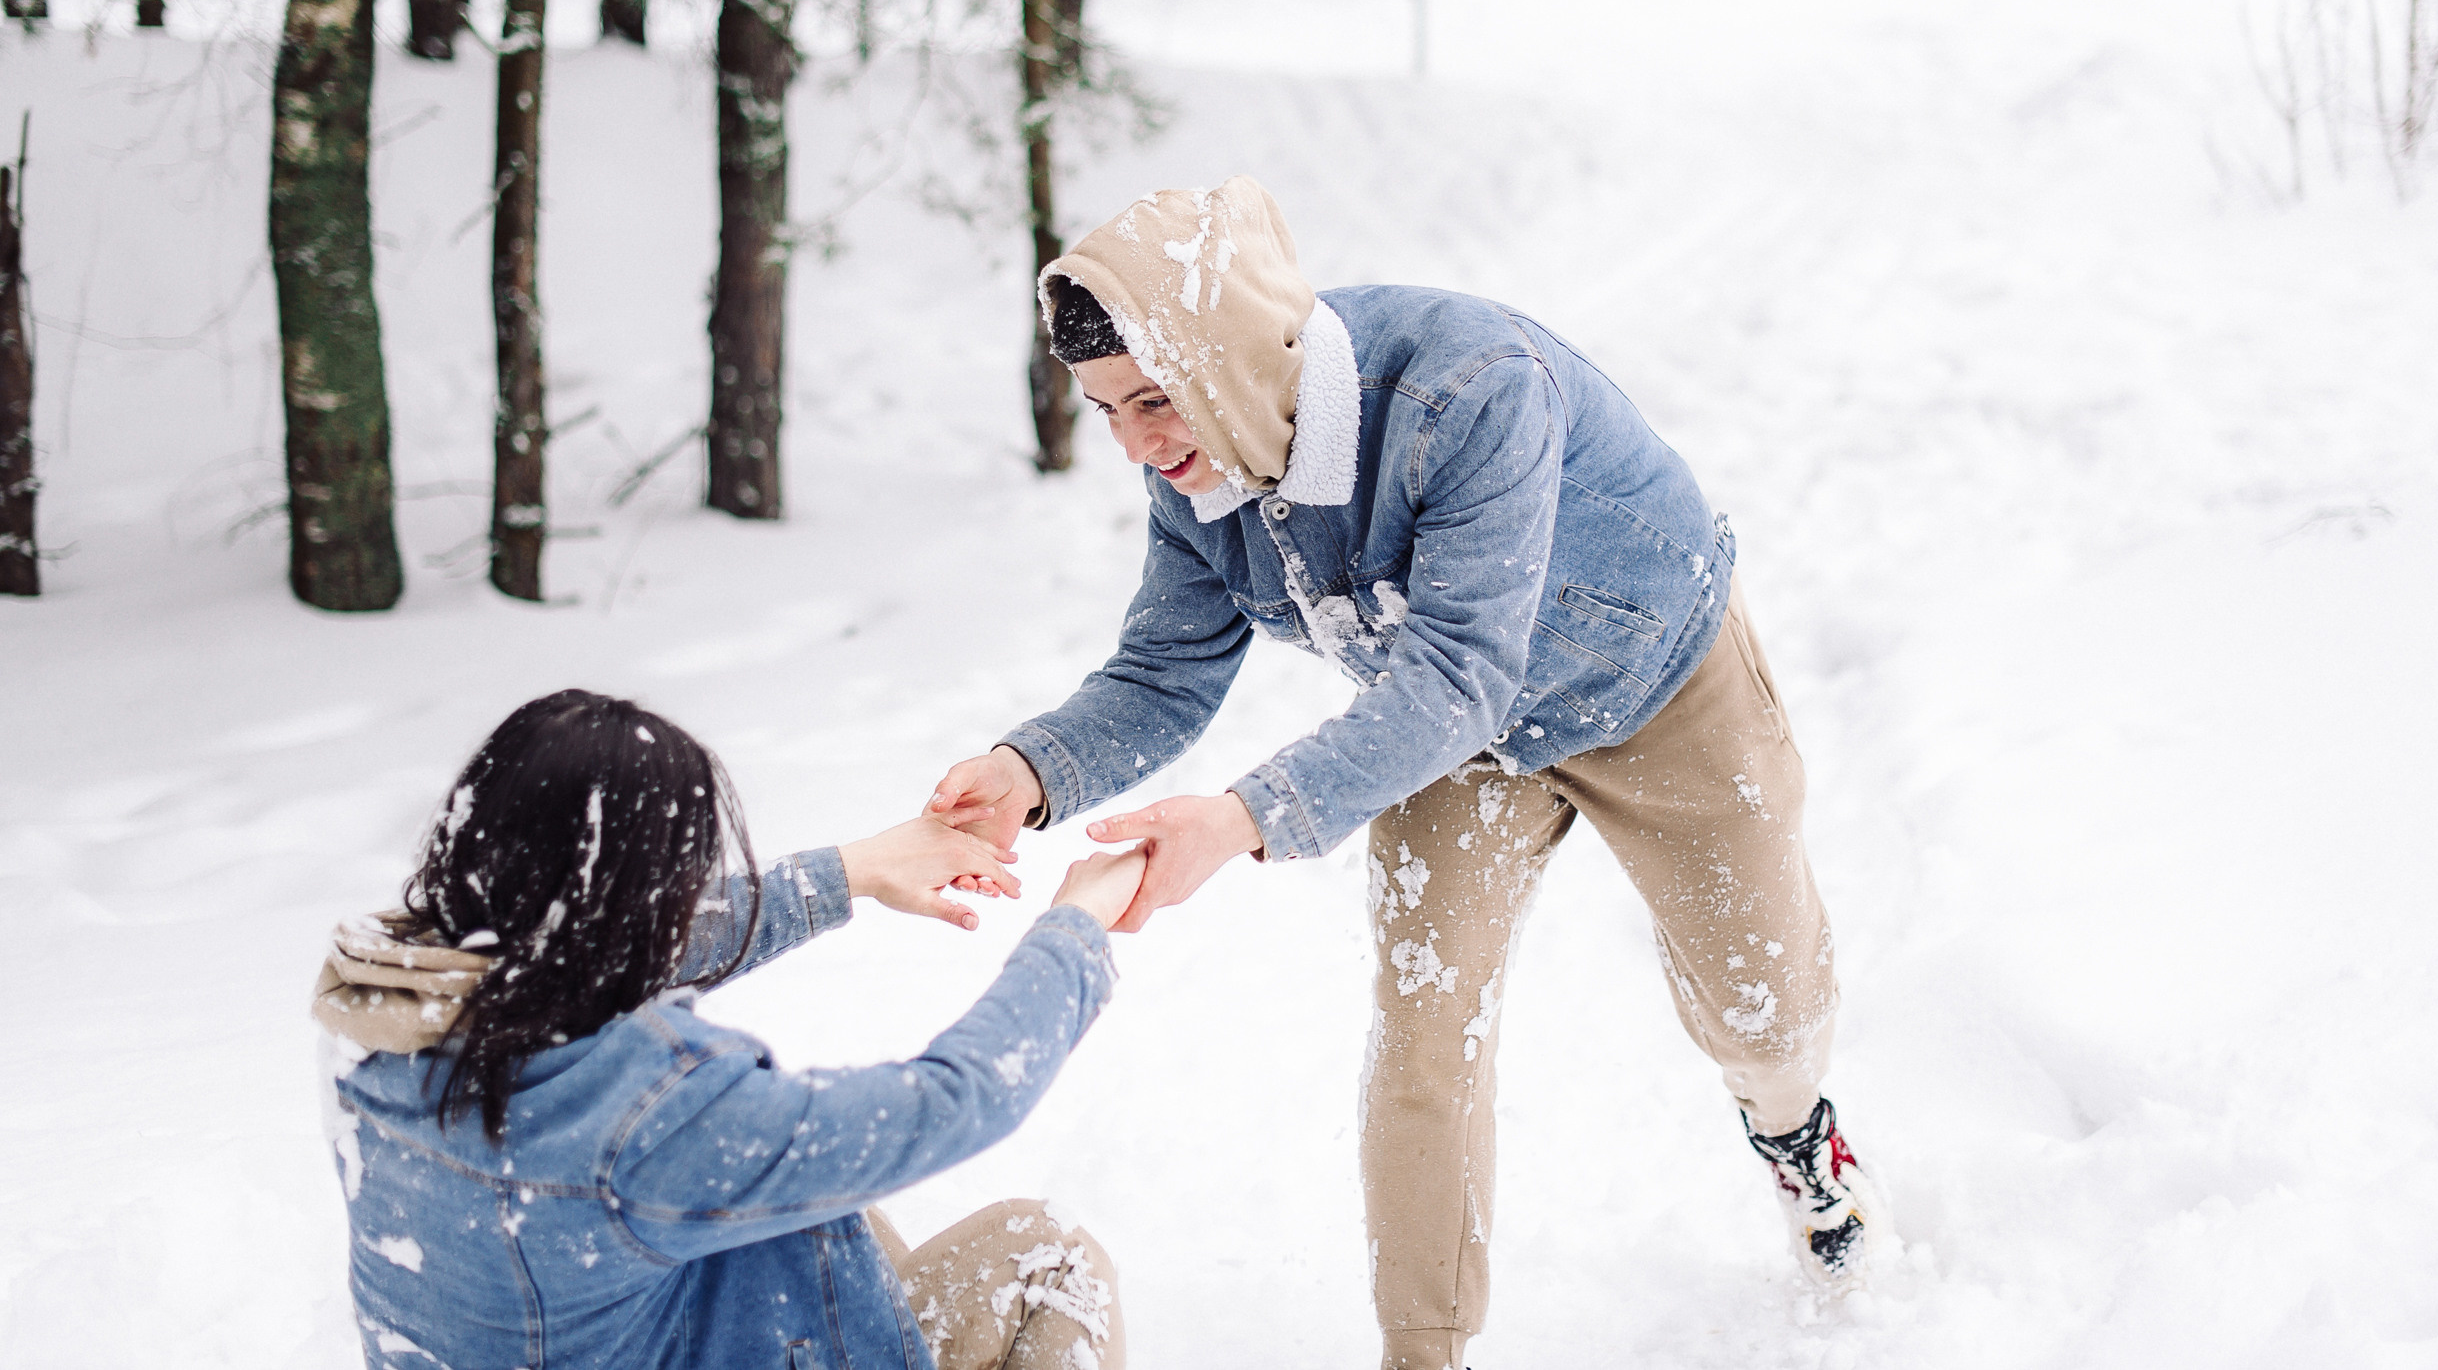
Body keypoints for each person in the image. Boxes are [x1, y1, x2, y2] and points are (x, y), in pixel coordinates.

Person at [924, 177, 1882, 1370]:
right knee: (1426, 1027)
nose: (1135, 444)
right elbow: (1166, 669)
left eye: (1152, 401)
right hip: (1445, 737)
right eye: (1106, 410)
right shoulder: (1202, 460)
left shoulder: (1469, 387)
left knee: (1762, 1002)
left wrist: (1245, 817)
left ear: (1226, 358)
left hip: (1649, 682)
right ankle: (1422, 1353)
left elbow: (1459, 668)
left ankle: (1795, 1134)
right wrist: (1028, 768)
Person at [314, 689, 1141, 1370]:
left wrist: (852, 870)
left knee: (836, 1220)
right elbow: (961, 1098)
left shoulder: (382, 1011)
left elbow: (593, 954)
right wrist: (1076, 924)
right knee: (1049, 1255)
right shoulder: (648, 1117)